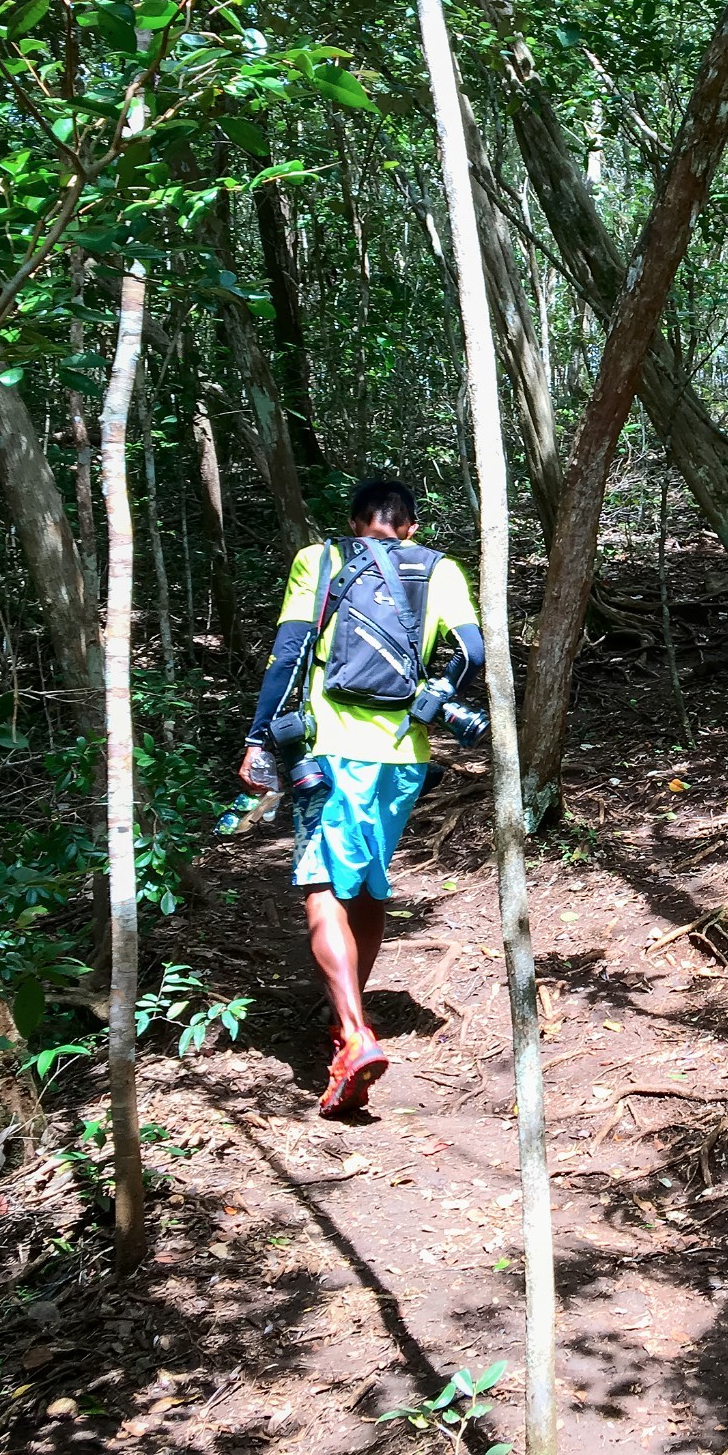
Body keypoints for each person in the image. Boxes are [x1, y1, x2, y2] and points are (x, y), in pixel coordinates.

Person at [239, 478, 485, 1116]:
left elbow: (290, 652)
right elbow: (472, 651)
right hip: (405, 754)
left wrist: (259, 738)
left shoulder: (321, 560)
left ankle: (352, 1033)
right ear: (411, 524)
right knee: (369, 884)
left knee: (322, 883)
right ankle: (347, 1015)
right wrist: (434, 697)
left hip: (327, 750)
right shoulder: (441, 568)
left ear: (353, 520)